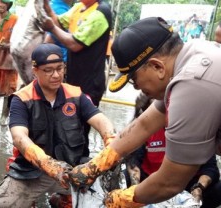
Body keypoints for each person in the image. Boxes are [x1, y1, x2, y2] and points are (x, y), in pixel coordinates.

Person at [68, 16, 221, 207]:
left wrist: (114, 200)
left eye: (133, 79)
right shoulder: (193, 54)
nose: (136, 88)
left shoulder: (192, 84)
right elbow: (146, 122)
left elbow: (169, 182)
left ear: (157, 67)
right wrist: (96, 164)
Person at [0, 43, 116, 207]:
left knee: (102, 203)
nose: (56, 75)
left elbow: (101, 120)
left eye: (60, 68)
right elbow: (19, 137)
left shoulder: (76, 94)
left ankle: (61, 200)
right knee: (3, 205)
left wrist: (111, 141)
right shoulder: (21, 99)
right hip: (33, 172)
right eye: (48, 70)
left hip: (73, 170)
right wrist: (48, 164)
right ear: (35, 70)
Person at [41, 0, 112, 158]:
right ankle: (67, 161)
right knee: (69, 124)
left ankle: (81, 168)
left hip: (90, 83)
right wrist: (45, 5)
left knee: (80, 130)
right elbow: (58, 21)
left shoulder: (101, 12)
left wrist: (51, 28)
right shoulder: (79, 7)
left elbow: (74, 44)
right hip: (73, 80)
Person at [125, 93, 221, 207]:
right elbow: (133, 161)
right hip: (152, 183)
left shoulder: (197, 130)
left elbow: (210, 169)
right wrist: (135, 188)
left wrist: (198, 188)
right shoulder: (146, 131)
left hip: (189, 185)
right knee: (125, 176)